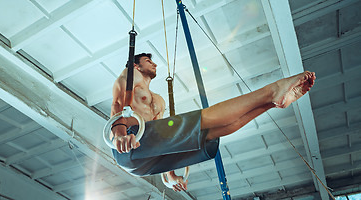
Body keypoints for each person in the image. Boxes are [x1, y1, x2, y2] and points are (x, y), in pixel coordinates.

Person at [110, 53, 316, 192]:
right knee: (204, 118)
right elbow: (118, 104)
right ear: (136, 64)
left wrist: (170, 176)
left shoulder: (158, 101)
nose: (153, 63)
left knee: (213, 132)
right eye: (148, 60)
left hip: (144, 157)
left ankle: (273, 103)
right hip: (126, 145)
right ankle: (271, 91)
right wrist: (119, 133)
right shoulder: (130, 74)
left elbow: (164, 143)